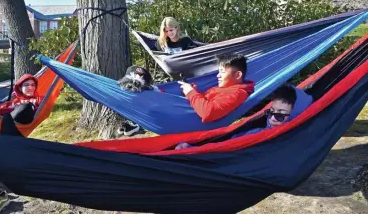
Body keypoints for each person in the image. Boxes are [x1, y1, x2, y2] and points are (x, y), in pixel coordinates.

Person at [175, 85, 313, 149]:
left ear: (294, 115)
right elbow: (229, 142)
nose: (272, 118)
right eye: (271, 112)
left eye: (280, 115)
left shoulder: (288, 138)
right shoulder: (261, 132)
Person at [178, 53, 255, 123]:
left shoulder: (237, 93)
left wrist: (191, 93)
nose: (218, 75)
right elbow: (203, 101)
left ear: (238, 75)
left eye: (222, 71)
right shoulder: (225, 88)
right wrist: (194, 92)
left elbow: (208, 113)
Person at [116, 66, 161, 136]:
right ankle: (132, 123)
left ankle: (135, 124)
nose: (133, 88)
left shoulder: (154, 92)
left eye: (136, 84)